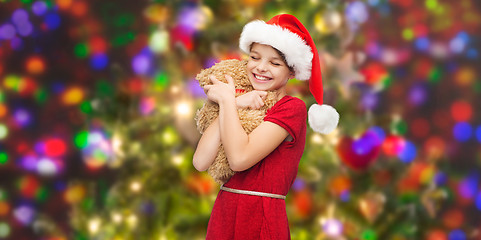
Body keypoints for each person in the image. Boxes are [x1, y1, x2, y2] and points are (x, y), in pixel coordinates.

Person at [193, 14, 339, 239]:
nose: (261, 68)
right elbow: (201, 161)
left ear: (291, 71)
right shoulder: (240, 101)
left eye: (274, 63)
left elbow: (240, 159)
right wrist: (234, 102)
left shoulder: (291, 108)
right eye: (254, 57)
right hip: (225, 212)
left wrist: (227, 102)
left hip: (260, 217)